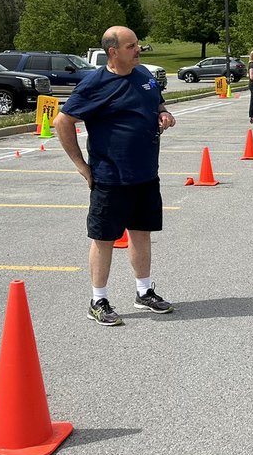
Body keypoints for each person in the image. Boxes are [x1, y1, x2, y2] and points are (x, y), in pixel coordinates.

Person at [54, 26, 177, 326]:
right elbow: (62, 122)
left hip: (146, 174)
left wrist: (163, 113)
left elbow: (156, 102)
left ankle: (144, 292)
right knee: (104, 238)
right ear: (113, 52)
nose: (138, 50)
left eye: (137, 45)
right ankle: (98, 299)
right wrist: (82, 166)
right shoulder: (94, 84)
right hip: (111, 177)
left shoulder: (144, 74)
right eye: (131, 46)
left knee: (141, 233)